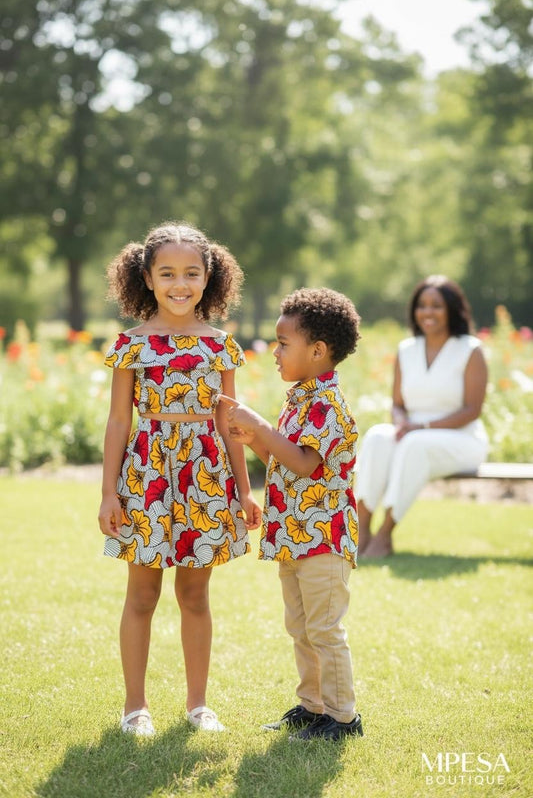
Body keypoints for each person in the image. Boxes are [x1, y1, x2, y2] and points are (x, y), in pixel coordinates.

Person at [97, 221, 261, 736]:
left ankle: (197, 705)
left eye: (191, 273)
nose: (179, 284)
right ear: (146, 278)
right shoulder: (130, 345)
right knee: (142, 595)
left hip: (206, 476)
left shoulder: (220, 346)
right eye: (166, 273)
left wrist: (243, 489)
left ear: (209, 277)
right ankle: (135, 707)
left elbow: (230, 424)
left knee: (195, 596)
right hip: (145, 474)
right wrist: (108, 494)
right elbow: (119, 421)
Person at [220, 287, 364, 741]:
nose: (275, 353)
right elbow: (286, 458)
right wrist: (256, 441)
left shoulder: (327, 405)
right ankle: (313, 706)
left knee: (323, 628)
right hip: (294, 535)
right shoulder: (300, 398)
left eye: (284, 344)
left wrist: (260, 425)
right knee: (300, 627)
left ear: (318, 351)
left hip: (323, 538)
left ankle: (342, 719)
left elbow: (305, 463)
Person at [356, 274, 489, 559]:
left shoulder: (470, 350)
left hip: (461, 440)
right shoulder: (407, 350)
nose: (428, 312)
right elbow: (397, 403)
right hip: (413, 433)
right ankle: (362, 529)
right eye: (422, 305)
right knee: (378, 435)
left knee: (415, 444)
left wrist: (421, 426)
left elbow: (472, 410)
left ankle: (385, 534)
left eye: (436, 306)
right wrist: (401, 422)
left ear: (452, 310)